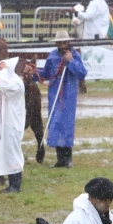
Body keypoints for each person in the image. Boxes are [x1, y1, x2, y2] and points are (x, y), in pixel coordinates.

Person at [33, 30, 88, 168]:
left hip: (68, 96)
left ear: (68, 42)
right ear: (57, 43)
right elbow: (46, 73)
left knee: (67, 125)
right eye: (60, 42)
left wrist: (70, 61)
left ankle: (68, 158)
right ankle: (60, 159)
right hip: (55, 94)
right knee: (56, 124)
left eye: (65, 42)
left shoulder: (75, 55)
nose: (62, 45)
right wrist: (34, 73)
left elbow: (82, 73)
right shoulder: (52, 56)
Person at [0, 58, 26, 193]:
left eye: (2, 69)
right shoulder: (9, 83)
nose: (0, 72)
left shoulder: (16, 83)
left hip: (12, 123)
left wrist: (1, 73)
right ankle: (12, 183)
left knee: (12, 152)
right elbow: (3, 97)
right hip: (6, 122)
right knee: (7, 152)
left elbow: (8, 89)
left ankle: (16, 185)